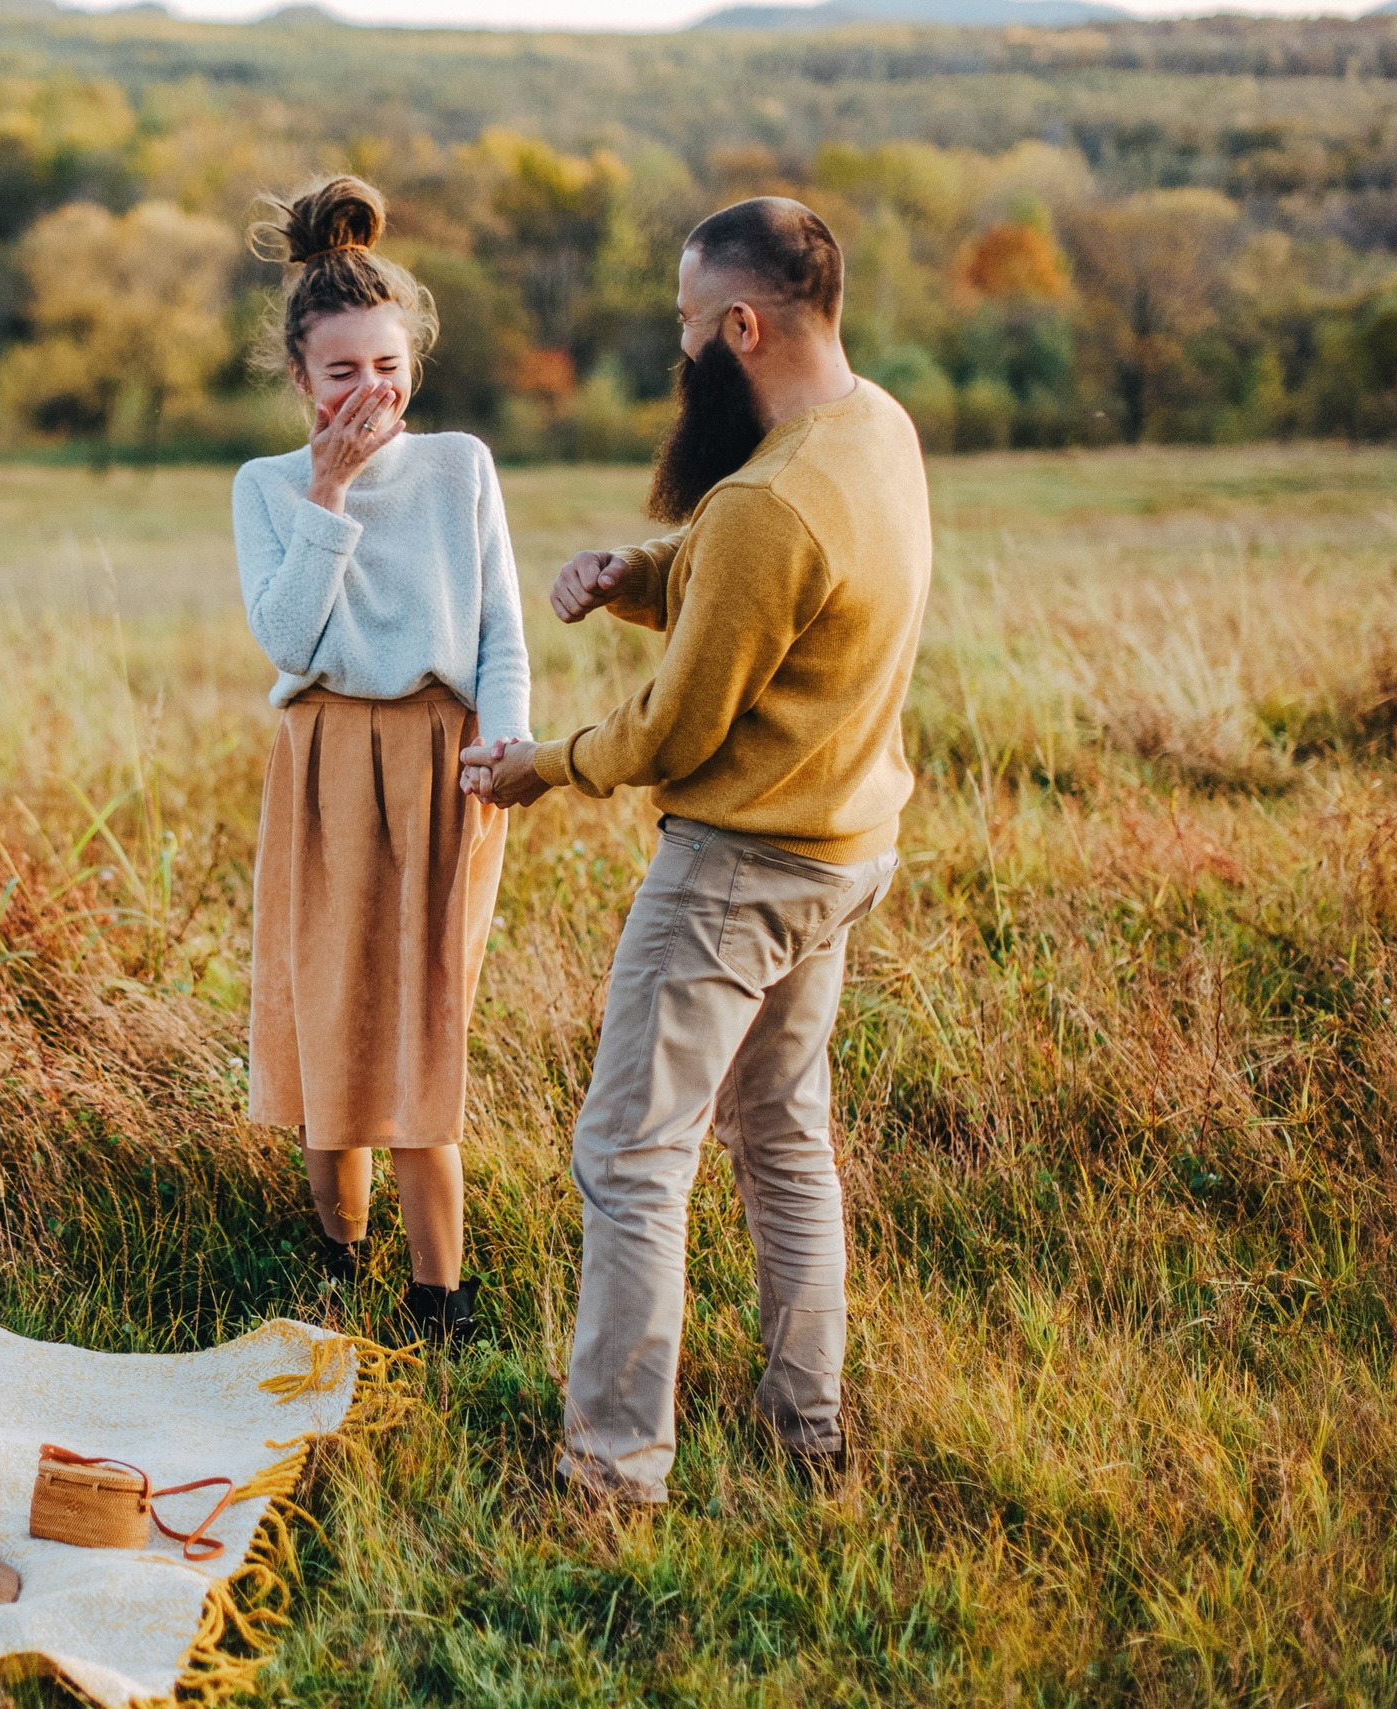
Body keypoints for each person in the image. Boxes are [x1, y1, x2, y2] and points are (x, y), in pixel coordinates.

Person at [463, 197, 932, 1497]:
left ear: (744, 324)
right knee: (784, 1140)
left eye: (686, 327)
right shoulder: (875, 430)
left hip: (736, 874)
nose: (680, 354)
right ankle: (810, 1430)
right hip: (844, 855)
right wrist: (635, 575)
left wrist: (540, 769)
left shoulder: (768, 500)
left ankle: (613, 1471)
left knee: (629, 1157)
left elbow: (675, 726)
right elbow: (765, 589)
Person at [232, 174, 532, 1343]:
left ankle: (439, 1298)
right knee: (327, 1007)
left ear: (414, 359)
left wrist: (501, 747)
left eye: (387, 364)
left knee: (421, 1022)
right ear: (302, 379)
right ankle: (333, 1265)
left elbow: (499, 626)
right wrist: (330, 492)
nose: (371, 389)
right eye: (343, 370)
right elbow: (289, 638)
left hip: (442, 760)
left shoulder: (461, 466)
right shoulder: (269, 488)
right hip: (321, 764)